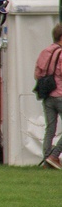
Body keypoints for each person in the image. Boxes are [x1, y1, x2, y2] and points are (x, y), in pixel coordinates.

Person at [34, 23, 62, 169]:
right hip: (60, 94)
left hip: (47, 96)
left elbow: (37, 74)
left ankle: (46, 161)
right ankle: (54, 155)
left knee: (50, 129)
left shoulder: (44, 52)